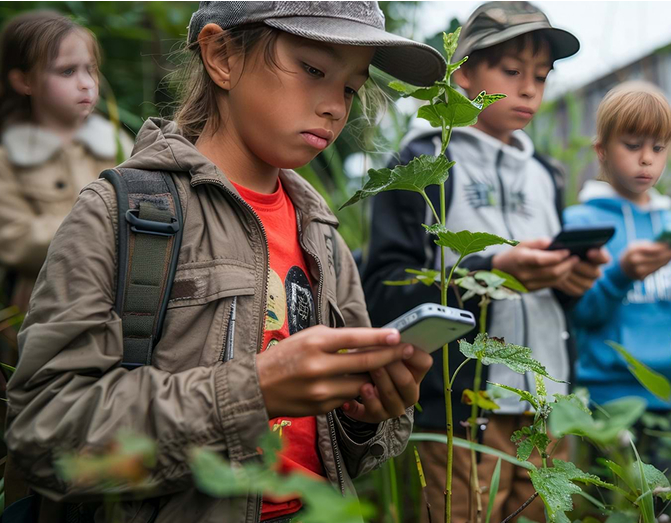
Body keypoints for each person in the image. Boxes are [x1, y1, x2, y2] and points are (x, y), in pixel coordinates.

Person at [5, 3, 445, 522]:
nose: (334, 106)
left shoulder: (322, 233)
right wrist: (249, 392)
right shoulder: (122, 213)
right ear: (221, 56)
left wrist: (368, 413)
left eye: (350, 87)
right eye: (313, 70)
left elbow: (351, 453)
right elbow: (44, 434)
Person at [362, 3, 608, 521]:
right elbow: (383, 292)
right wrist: (491, 275)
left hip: (547, 408)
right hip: (461, 408)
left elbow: (553, 293)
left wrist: (572, 280)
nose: (528, 90)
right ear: (464, 71)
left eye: (541, 76)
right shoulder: (420, 164)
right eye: (511, 71)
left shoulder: (547, 174)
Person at [563, 81, 671, 501]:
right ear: (601, 150)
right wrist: (621, 274)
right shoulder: (582, 223)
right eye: (632, 145)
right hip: (610, 396)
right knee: (621, 506)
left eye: (659, 146)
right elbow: (581, 313)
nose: (647, 158)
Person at [0, 10, 133, 359]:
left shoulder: (117, 143)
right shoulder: (8, 156)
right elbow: (15, 239)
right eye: (68, 71)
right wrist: (103, 227)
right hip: (44, 316)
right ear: (23, 81)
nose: (87, 83)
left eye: (91, 69)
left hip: (125, 308)